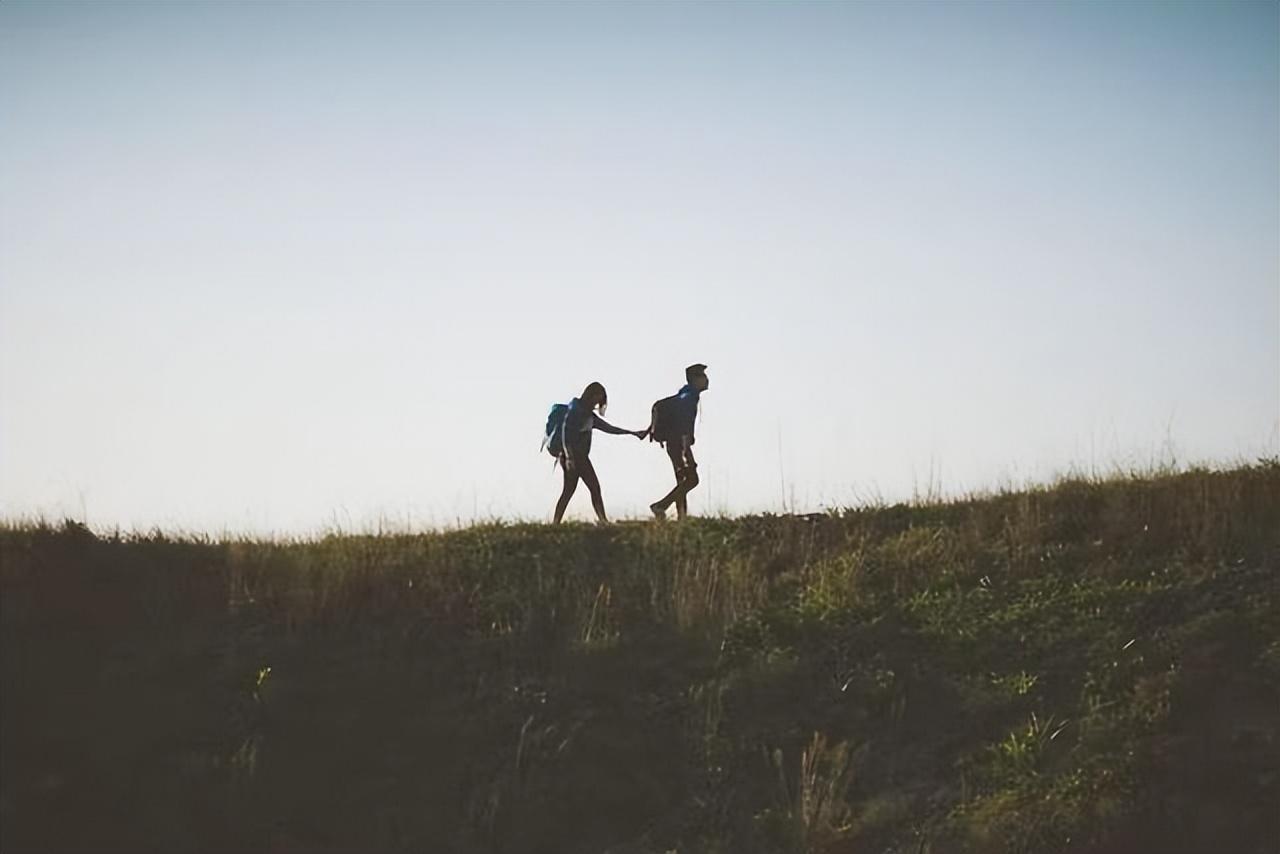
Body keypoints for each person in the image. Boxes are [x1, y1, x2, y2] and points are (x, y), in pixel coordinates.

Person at [553, 381, 646, 524]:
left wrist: (632, 433)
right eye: (597, 398)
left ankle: (557, 523)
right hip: (574, 457)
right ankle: (602, 521)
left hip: (578, 457)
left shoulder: (588, 415)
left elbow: (609, 428)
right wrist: (570, 457)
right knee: (591, 488)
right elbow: (566, 433)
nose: (598, 403)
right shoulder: (577, 411)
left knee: (572, 490)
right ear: (591, 395)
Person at [649, 363, 709, 520]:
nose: (706, 379)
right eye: (702, 376)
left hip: (674, 443)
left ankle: (681, 517)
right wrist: (686, 448)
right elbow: (684, 423)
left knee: (682, 479)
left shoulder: (684, 395)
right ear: (694, 379)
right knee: (692, 479)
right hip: (679, 444)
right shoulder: (689, 398)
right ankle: (660, 506)